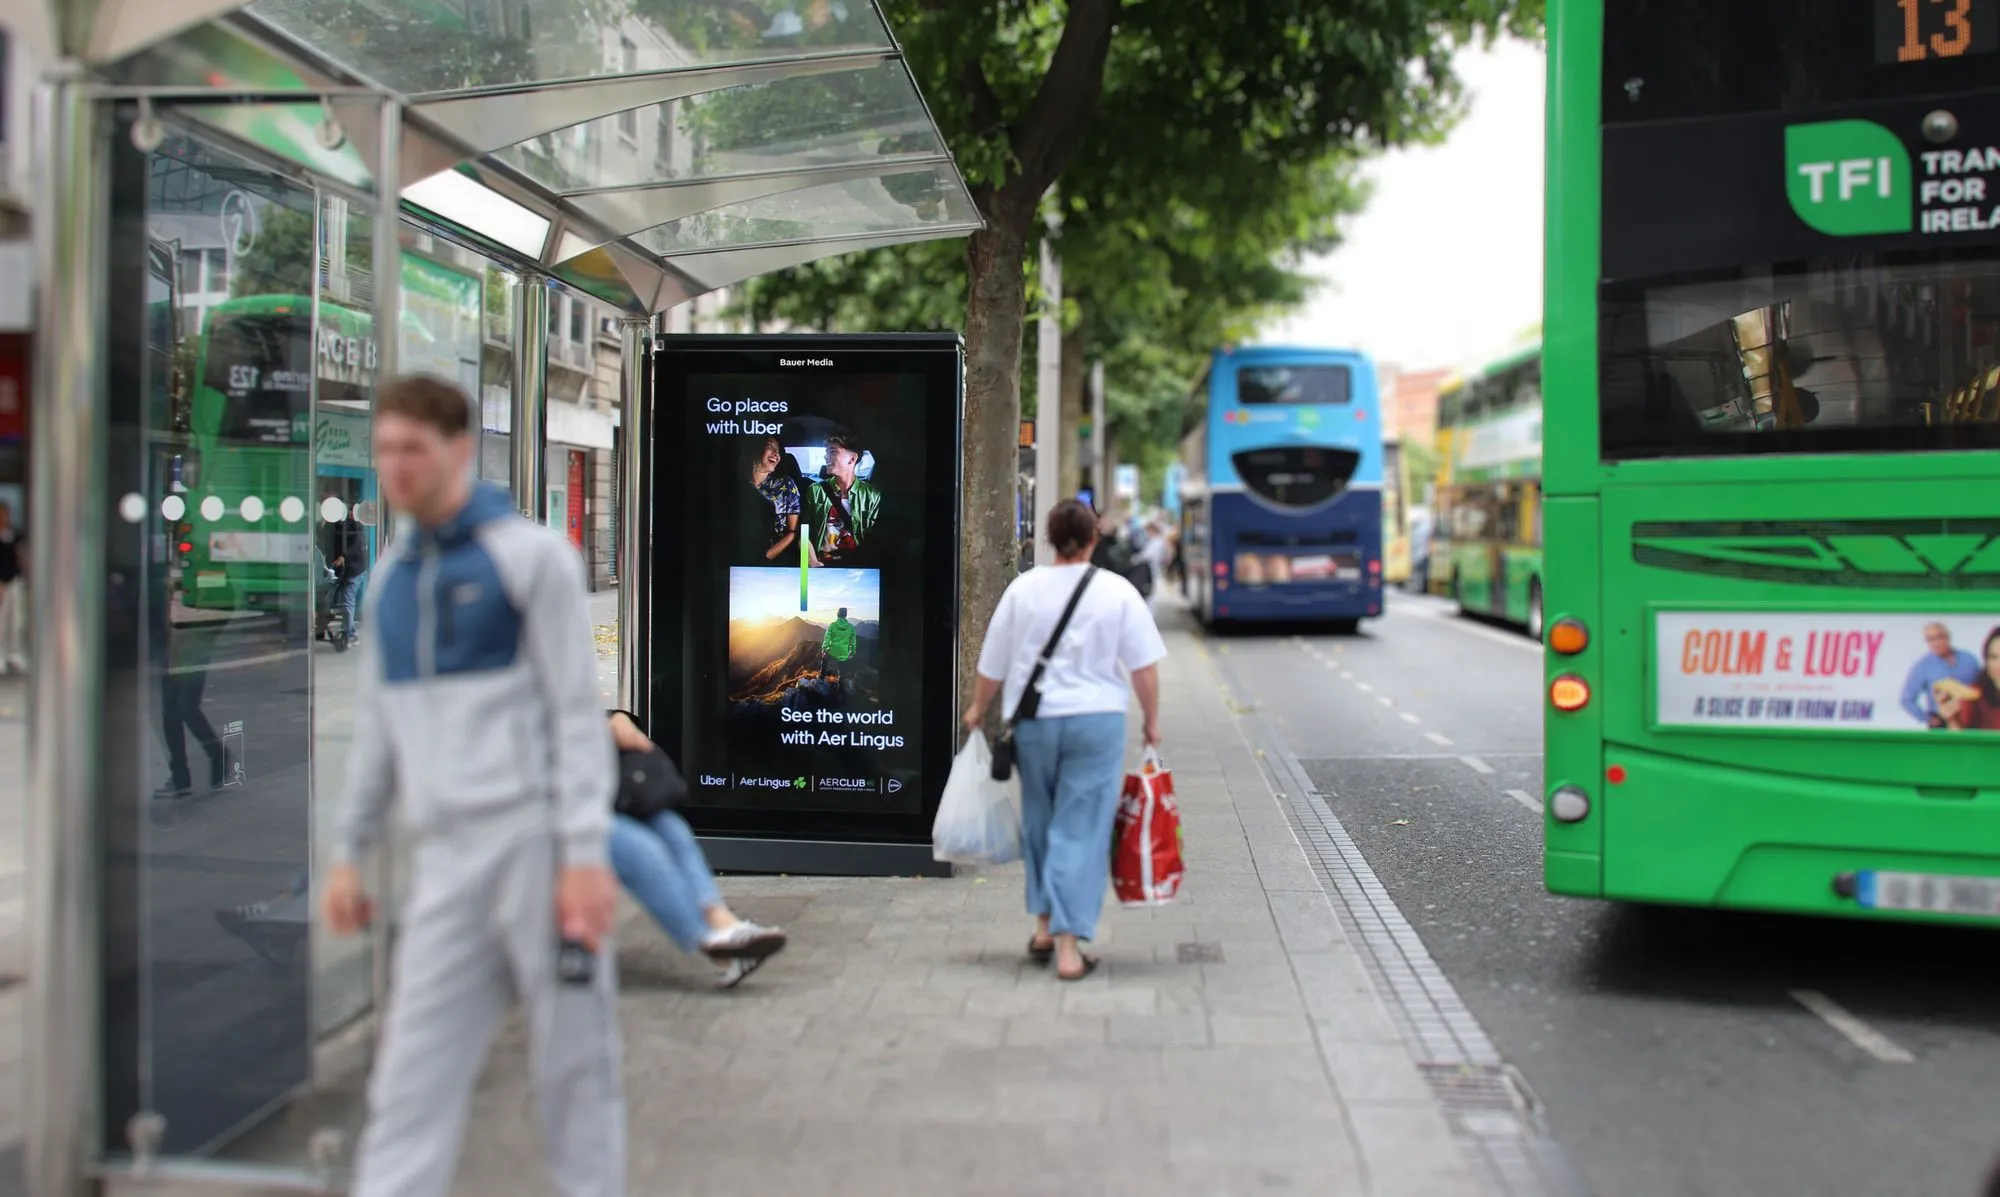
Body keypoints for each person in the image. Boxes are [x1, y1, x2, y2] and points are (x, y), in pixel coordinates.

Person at [321, 375, 623, 1197]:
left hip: (536, 847)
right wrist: (349, 851)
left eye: (412, 449)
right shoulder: (390, 582)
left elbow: (572, 715)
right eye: (385, 450)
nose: (395, 467)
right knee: (410, 1072)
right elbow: (380, 730)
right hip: (446, 861)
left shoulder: (532, 560)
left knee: (574, 1068)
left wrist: (585, 856)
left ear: (459, 449)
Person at [963, 499, 1166, 982]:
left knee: (1040, 819)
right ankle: (1070, 947)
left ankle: (1042, 926)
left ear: (1050, 539)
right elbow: (1144, 669)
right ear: (1094, 537)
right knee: (1081, 828)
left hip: (1034, 723)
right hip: (1096, 724)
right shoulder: (1117, 592)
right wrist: (1152, 723)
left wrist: (975, 709)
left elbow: (993, 662)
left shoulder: (1023, 590)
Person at [605, 710, 786, 987]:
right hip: (534, 811)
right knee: (641, 848)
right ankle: (707, 939)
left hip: (578, 794)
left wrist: (613, 719)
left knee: (669, 826)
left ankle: (723, 925)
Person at [803, 431, 881, 566]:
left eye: (833, 451)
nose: (826, 457)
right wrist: (811, 560)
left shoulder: (872, 495)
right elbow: (803, 532)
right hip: (822, 563)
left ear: (852, 459)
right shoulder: (816, 491)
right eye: (826, 452)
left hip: (856, 565)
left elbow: (874, 539)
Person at [1899, 622, 1982, 728]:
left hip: (1971, 717)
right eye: (1931, 639)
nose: (1937, 643)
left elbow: (1982, 686)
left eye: (1940, 637)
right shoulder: (1923, 666)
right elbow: (1907, 699)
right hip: (1942, 721)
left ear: (1948, 637)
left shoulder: (1969, 659)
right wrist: (1927, 718)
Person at [320, 496, 367, 645]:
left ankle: (350, 633)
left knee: (348, 599)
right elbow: (323, 543)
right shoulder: (330, 526)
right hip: (339, 570)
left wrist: (343, 557)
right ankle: (344, 630)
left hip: (354, 568)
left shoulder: (354, 525)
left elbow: (356, 545)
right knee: (331, 599)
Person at [749, 435, 803, 562]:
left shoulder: (786, 485)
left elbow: (792, 532)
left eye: (778, 451)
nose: (776, 454)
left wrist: (766, 556)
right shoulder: (739, 484)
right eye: (770, 446)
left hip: (774, 556)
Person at [1937, 626, 2000, 732]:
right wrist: (1953, 720)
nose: (1999, 666)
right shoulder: (1974, 697)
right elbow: (1959, 741)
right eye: (1993, 657)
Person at [821, 605, 857, 694]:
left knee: (824, 659)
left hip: (833, 651)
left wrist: (824, 649)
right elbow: (853, 642)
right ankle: (841, 688)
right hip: (844, 653)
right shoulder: (851, 627)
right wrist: (852, 652)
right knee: (842, 670)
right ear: (846, 615)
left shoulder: (832, 625)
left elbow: (827, 638)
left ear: (838, 614)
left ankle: (821, 676)